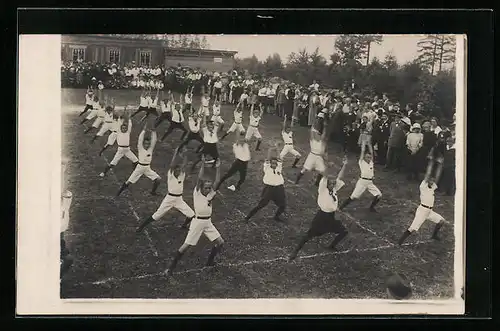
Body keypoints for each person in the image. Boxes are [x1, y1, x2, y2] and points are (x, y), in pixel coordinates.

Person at [164, 156, 224, 276]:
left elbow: (217, 181)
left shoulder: (210, 194)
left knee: (220, 242)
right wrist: (202, 164)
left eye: (209, 187)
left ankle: (209, 262)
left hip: (208, 223)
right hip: (197, 223)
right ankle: (170, 268)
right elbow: (199, 179)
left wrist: (218, 167)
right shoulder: (197, 193)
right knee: (185, 247)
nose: (208, 189)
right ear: (201, 187)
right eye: (206, 187)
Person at [289, 156, 349, 261]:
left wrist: (345, 165)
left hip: (331, 217)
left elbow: (340, 177)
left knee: (344, 231)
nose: (332, 184)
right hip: (321, 217)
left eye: (333, 183)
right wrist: (327, 167)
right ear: (327, 184)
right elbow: (325, 177)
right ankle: (295, 252)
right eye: (330, 183)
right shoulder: (323, 188)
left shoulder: (334, 188)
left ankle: (331, 246)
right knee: (309, 235)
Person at [136, 146, 196, 233]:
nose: (178, 171)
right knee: (157, 215)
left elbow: (185, 165)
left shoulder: (181, 175)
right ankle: (141, 226)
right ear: (173, 170)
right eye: (177, 170)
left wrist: (185, 154)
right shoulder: (171, 175)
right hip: (169, 199)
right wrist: (176, 152)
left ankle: (184, 226)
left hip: (179, 199)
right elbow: (172, 164)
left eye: (179, 170)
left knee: (191, 215)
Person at [397, 171, 446, 245]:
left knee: (441, 221)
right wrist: (431, 162)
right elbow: (427, 174)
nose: (432, 182)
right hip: (422, 211)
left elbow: (437, 177)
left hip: (430, 211)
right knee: (412, 228)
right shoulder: (423, 186)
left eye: (433, 180)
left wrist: (440, 165)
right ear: (427, 180)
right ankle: (400, 241)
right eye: (431, 180)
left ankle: (434, 235)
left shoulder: (432, 187)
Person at [116, 122, 161, 196]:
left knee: (158, 179)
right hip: (139, 168)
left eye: (148, 144)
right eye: (145, 144)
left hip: (147, 168)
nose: (147, 145)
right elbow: (140, 140)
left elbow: (154, 141)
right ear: (143, 144)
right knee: (129, 182)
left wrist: (154, 132)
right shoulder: (140, 148)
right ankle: (119, 192)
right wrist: (143, 130)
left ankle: (153, 192)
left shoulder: (150, 149)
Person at [244, 147, 287, 223]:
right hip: (269, 189)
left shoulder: (278, 168)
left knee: (282, 205)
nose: (274, 164)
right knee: (261, 205)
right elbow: (267, 159)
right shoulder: (267, 168)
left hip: (279, 189)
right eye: (272, 163)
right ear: (270, 163)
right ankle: (247, 217)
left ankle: (276, 217)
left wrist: (277, 149)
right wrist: (270, 150)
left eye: (275, 163)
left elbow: (279, 158)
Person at [339, 148, 382, 213]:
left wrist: (369, 143)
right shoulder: (361, 162)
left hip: (370, 183)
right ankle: (341, 207)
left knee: (379, 195)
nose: (369, 158)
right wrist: (363, 145)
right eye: (367, 157)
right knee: (353, 197)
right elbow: (362, 153)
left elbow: (371, 153)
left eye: (370, 157)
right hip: (362, 182)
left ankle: (371, 208)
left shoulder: (371, 163)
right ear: (364, 157)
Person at [99, 107, 139, 177]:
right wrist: (120, 117)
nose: (124, 129)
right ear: (120, 128)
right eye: (123, 128)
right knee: (113, 163)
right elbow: (119, 124)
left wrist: (129, 118)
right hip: (120, 150)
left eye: (125, 128)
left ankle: (135, 173)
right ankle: (104, 172)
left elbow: (130, 125)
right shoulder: (119, 131)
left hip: (127, 150)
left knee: (136, 161)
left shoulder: (128, 132)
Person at [295, 114, 329, 187]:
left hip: (319, 157)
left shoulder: (321, 140)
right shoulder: (314, 138)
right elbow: (314, 131)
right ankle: (298, 178)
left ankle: (317, 182)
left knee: (322, 170)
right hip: (312, 155)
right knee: (305, 169)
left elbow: (323, 135)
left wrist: (324, 126)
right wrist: (318, 124)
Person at [60, 157, 74, 277]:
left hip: (60, 227)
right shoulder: (64, 203)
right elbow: (63, 189)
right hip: (60, 227)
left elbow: (63, 189)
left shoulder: (64, 203)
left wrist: (63, 168)